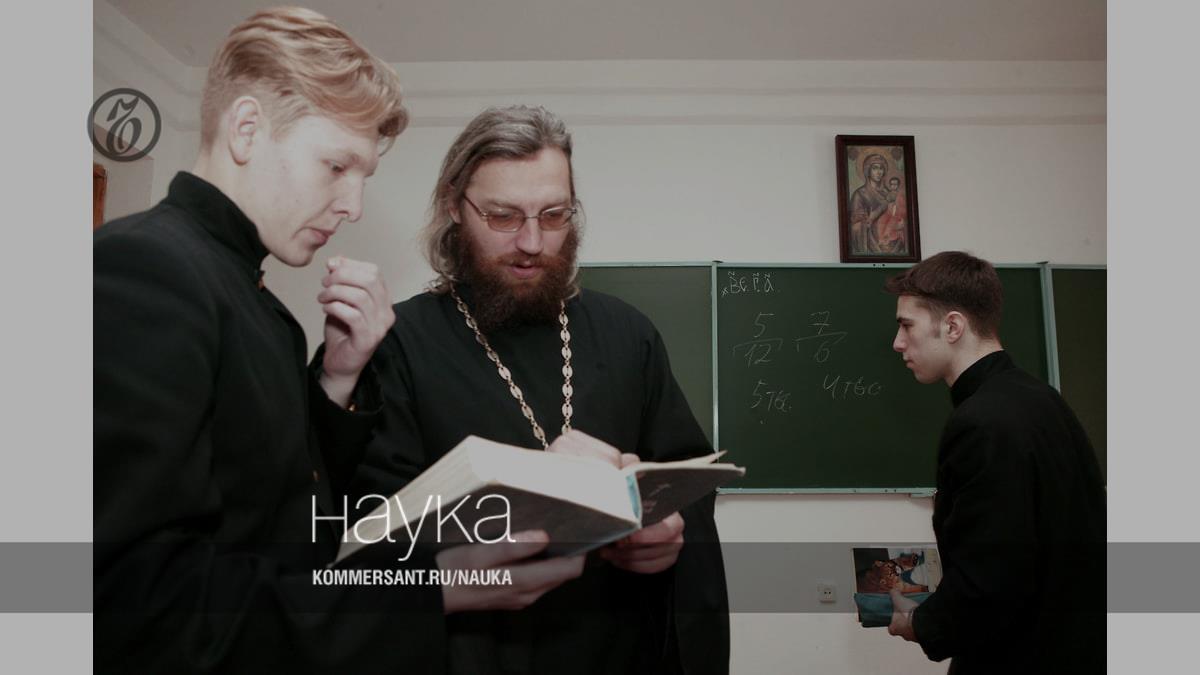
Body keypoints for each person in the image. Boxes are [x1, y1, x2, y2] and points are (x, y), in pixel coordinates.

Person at [94, 10, 581, 673]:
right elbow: (132, 608)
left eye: (364, 177)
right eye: (336, 166)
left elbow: (277, 515)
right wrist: (435, 587)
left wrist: (337, 378)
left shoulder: (253, 298)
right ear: (246, 129)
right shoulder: (143, 268)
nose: (353, 205)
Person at [351, 105, 730, 674]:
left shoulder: (628, 334)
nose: (532, 242)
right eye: (503, 216)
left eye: (554, 215)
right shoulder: (396, 343)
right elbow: (371, 524)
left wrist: (669, 530)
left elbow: (687, 480)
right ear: (454, 206)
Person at [882, 251, 1105, 674]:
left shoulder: (982, 422)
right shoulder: (1042, 399)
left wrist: (920, 623)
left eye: (907, 325)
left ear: (952, 326)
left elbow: (993, 577)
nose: (897, 342)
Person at [848, 152, 891, 254]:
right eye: (875, 168)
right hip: (870, 237)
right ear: (868, 171)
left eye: (881, 168)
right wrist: (869, 218)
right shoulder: (860, 194)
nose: (879, 172)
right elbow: (856, 222)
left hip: (889, 235)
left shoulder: (889, 194)